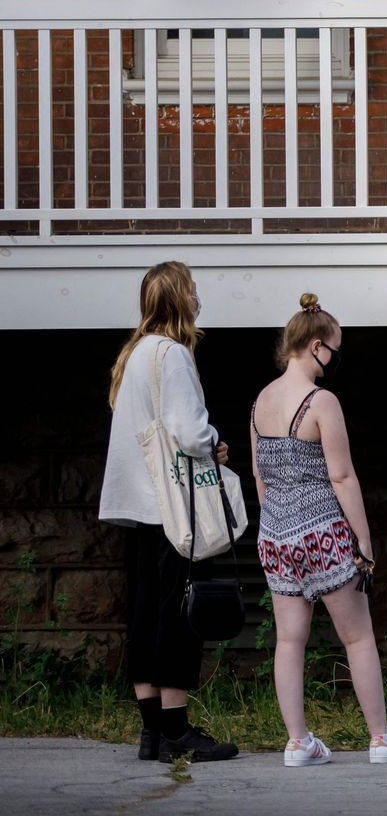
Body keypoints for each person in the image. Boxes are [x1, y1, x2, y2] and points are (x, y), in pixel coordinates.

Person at [252, 293, 387, 767]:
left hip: (275, 534)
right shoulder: (321, 401)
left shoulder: (260, 401)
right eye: (335, 348)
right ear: (317, 345)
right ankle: (382, 739)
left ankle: (299, 743)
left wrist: (279, 527)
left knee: (289, 639)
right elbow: (342, 476)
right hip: (323, 530)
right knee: (358, 637)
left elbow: (260, 477)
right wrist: (362, 542)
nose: (335, 359)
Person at [100, 260, 240, 762]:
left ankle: (152, 732)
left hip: (137, 505)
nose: (199, 299)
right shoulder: (173, 355)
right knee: (178, 614)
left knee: (143, 614)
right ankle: (177, 732)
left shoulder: (134, 354)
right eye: (194, 292)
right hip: (171, 509)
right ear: (183, 299)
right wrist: (214, 443)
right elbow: (187, 431)